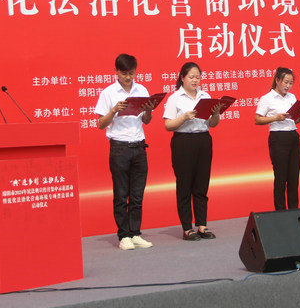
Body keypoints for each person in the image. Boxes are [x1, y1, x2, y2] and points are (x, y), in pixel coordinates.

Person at [95, 54, 155, 251]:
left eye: (131, 73)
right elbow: (100, 124)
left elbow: (146, 120)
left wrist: (148, 110)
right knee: (121, 193)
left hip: (139, 146)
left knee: (137, 194)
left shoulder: (142, 90)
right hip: (119, 147)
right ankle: (124, 235)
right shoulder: (108, 93)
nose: (128, 77)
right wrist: (113, 111)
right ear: (116, 72)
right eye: (124, 73)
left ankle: (135, 233)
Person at [163, 62, 222, 240]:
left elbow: (213, 124)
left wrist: (216, 113)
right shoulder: (175, 98)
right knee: (184, 185)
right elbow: (168, 125)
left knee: (202, 184)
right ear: (182, 78)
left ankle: (202, 226)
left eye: (198, 77)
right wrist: (184, 117)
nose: (195, 80)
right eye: (191, 77)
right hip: (183, 142)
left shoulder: (205, 96)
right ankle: (187, 228)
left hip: (203, 140)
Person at [255, 67, 300, 210]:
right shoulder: (267, 98)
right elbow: (257, 119)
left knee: (293, 177)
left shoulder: (292, 97)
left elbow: (295, 120)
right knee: (281, 178)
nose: (288, 86)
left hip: (293, 136)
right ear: (277, 80)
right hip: (278, 138)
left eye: (291, 83)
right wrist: (275, 118)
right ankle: (280, 211)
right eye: (286, 82)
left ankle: (294, 210)